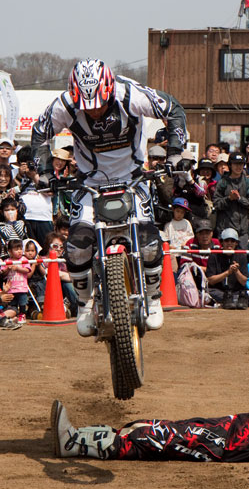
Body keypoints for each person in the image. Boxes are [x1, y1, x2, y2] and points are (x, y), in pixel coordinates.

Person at [31, 58, 187, 335]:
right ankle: (84, 302)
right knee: (77, 245)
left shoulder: (130, 94)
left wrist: (175, 152)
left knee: (150, 239)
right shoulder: (64, 105)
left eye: (100, 104)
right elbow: (39, 132)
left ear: (109, 90)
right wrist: (44, 172)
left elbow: (173, 108)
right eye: (86, 107)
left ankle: (152, 298)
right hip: (90, 182)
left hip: (133, 178)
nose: (93, 111)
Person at [51, 365, 249, 461]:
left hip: (226, 443)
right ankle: (81, 439)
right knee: (144, 426)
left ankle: (75, 443)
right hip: (224, 428)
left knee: (152, 436)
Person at [206, 228, 249, 309]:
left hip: (236, 292)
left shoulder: (241, 255)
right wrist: (227, 272)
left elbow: (244, 282)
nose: (229, 243)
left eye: (232, 241)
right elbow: (211, 280)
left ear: (236, 243)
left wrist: (236, 271)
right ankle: (233, 301)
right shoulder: (214, 255)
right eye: (227, 241)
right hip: (219, 291)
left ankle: (231, 301)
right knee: (209, 293)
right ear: (222, 242)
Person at [213, 153, 249, 249]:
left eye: (241, 164)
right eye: (236, 164)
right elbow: (216, 204)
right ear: (230, 165)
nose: (239, 167)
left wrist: (239, 199)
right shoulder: (222, 183)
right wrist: (229, 199)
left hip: (243, 231)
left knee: (242, 259)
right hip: (225, 229)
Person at [15, 146, 55, 245]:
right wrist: (20, 175)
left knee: (46, 248)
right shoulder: (15, 173)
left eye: (30, 162)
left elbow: (50, 192)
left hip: (43, 217)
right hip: (24, 217)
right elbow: (13, 190)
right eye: (23, 162)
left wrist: (34, 176)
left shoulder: (45, 173)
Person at [0, 238, 31, 324]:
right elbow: (3, 274)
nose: (19, 251)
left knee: (22, 302)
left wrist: (17, 268)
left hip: (21, 287)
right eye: (16, 249)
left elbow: (27, 270)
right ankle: (14, 316)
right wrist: (7, 269)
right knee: (12, 304)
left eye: (21, 249)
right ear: (10, 251)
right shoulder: (7, 261)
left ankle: (22, 314)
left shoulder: (24, 259)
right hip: (11, 288)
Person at [161, 197, 194, 272]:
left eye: (182, 212)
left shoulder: (186, 223)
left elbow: (191, 237)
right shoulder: (168, 225)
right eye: (178, 211)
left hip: (184, 253)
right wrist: (169, 246)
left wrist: (186, 242)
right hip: (174, 253)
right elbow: (165, 239)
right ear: (173, 210)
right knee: (174, 271)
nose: (179, 214)